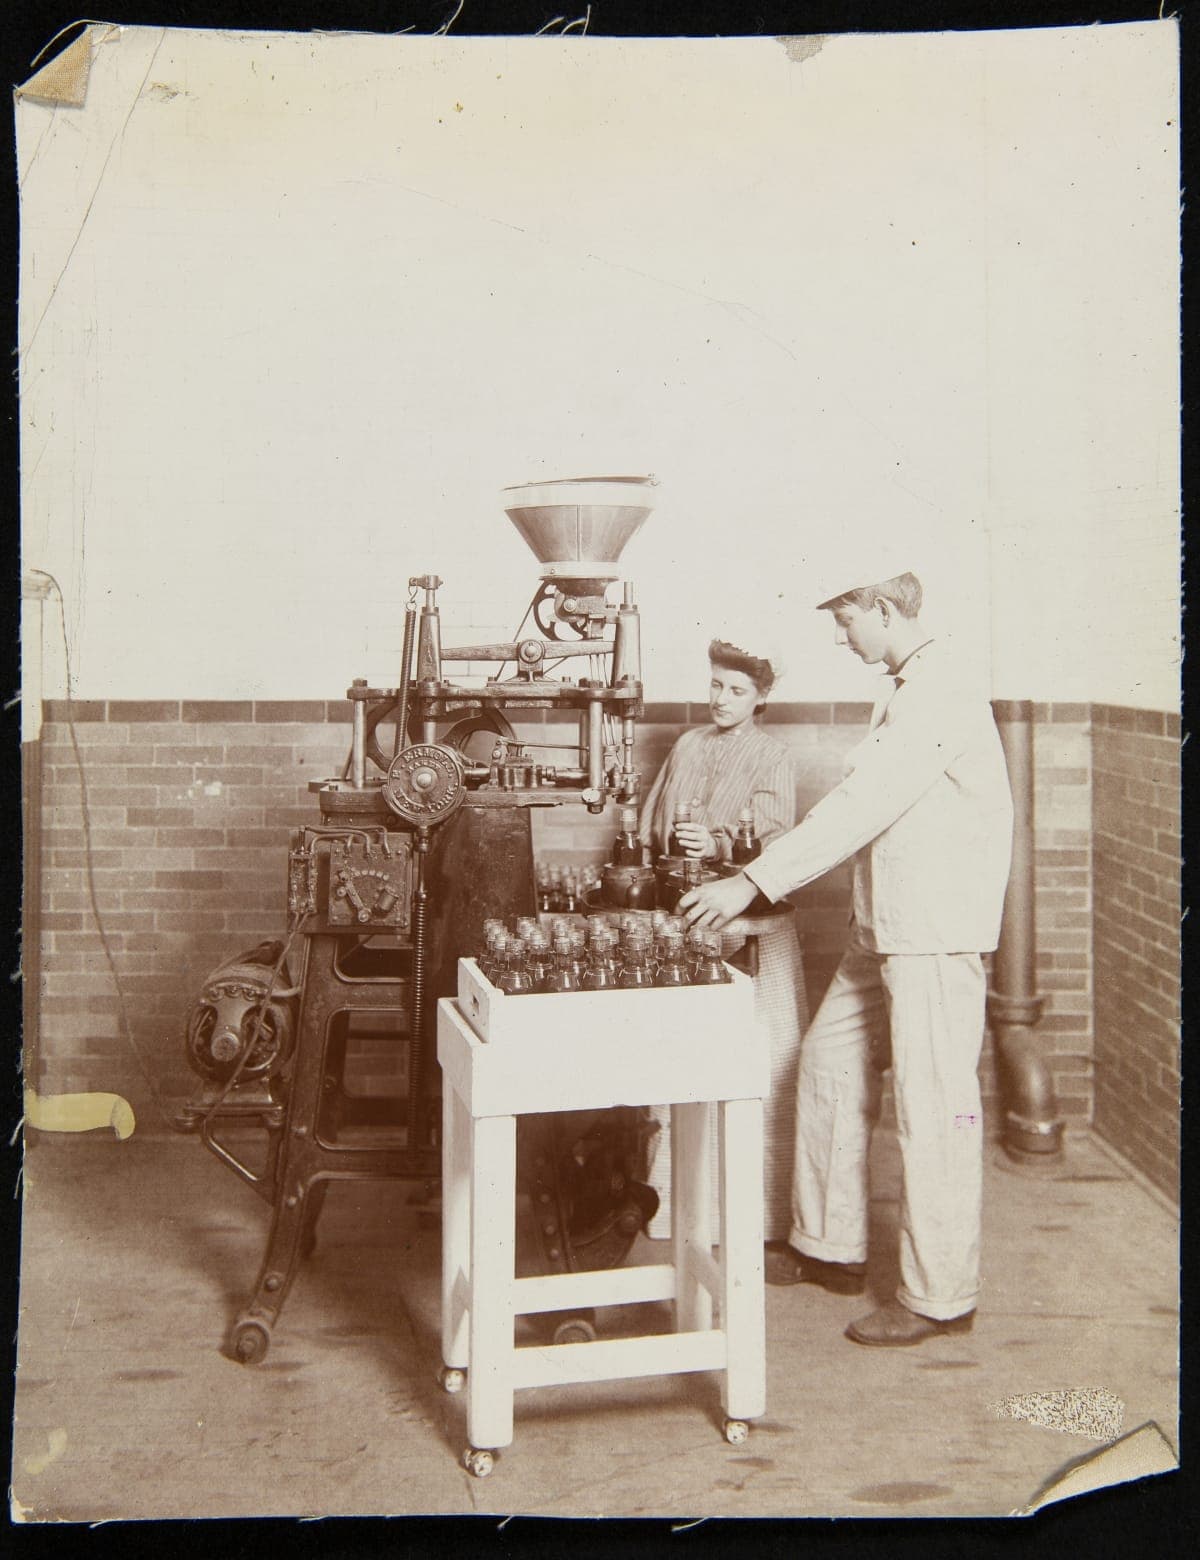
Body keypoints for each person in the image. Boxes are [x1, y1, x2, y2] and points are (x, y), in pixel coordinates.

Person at [680, 561, 1013, 1347]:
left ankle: (940, 1298)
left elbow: (865, 804)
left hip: (933, 929)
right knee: (827, 1060)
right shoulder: (903, 683)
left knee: (933, 1108)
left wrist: (750, 882)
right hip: (886, 921)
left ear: (886, 609)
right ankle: (829, 1246)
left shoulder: (941, 686)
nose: (837, 632)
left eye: (845, 616)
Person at [638, 633, 808, 1246]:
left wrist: (718, 846)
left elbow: (778, 845)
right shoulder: (687, 744)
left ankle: (757, 1222)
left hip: (752, 928)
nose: (722, 699)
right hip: (689, 919)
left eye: (737, 691)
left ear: (761, 698)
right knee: (682, 1065)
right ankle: (675, 1215)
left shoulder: (772, 757)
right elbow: (652, 818)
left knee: (756, 1065)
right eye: (715, 686)